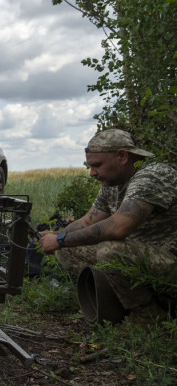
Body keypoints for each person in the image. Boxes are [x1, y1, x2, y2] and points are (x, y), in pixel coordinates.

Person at [40, 129, 177, 320]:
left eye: (97, 165)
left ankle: (149, 316)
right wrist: (57, 236)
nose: (92, 173)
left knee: (109, 250)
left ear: (122, 156)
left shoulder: (153, 176)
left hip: (170, 263)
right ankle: (117, 303)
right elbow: (87, 221)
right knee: (67, 249)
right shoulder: (113, 183)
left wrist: (61, 240)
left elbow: (118, 228)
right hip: (140, 259)